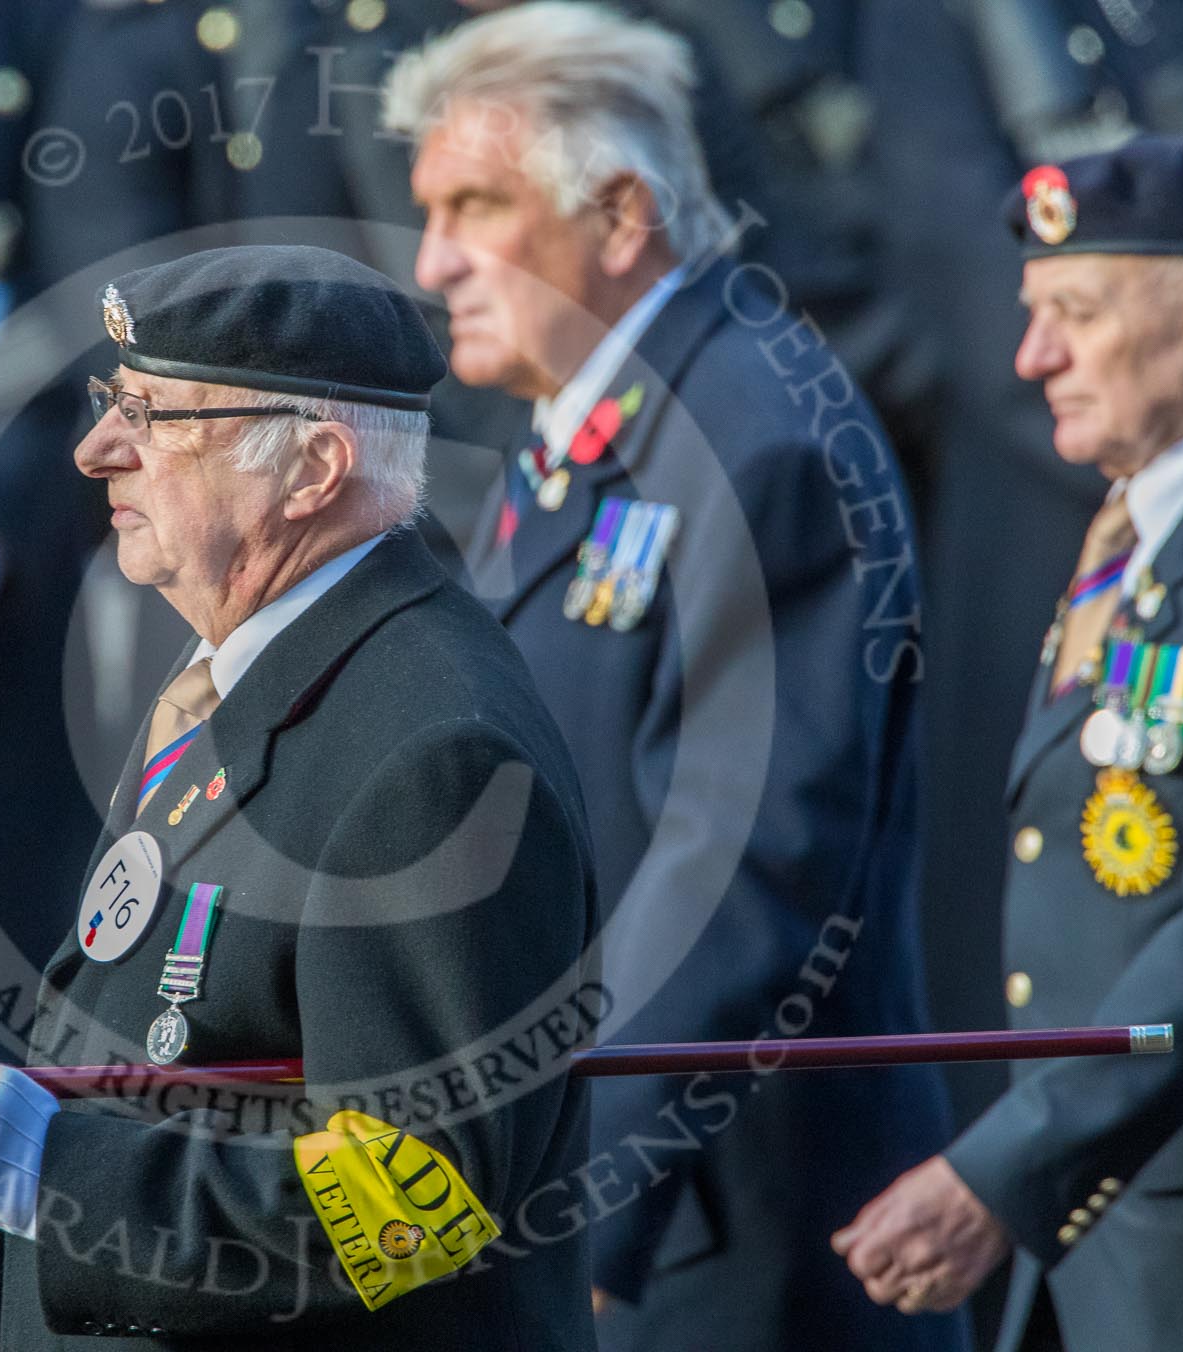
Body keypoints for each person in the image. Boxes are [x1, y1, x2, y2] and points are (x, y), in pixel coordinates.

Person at [0, 244, 601, 1349]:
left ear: (312, 469)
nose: (95, 451)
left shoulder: (429, 750)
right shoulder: (249, 660)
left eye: (154, 416)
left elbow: (408, 1203)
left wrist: (54, 1167)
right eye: (109, 402)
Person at [382, 7, 965, 1350]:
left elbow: (738, 864)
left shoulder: (756, 428)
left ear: (623, 210)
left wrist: (584, 1200)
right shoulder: (593, 417)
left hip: (725, 1227)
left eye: (477, 204)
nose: (434, 260)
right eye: (428, 209)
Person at [834, 136, 1183, 1352]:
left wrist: (1006, 1168)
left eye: (1077, 314)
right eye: (1033, 313)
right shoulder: (1148, 519)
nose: (1029, 356)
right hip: (1105, 1236)